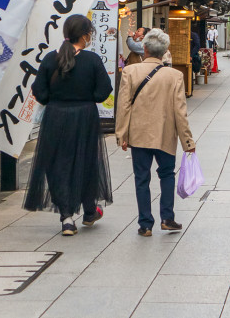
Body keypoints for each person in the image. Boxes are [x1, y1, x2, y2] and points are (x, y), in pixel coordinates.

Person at [23, 14, 113, 236]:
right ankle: (90, 210)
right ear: (84, 35)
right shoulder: (92, 60)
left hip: (55, 116)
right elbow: (104, 90)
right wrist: (86, 97)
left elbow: (39, 91)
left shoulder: (50, 59)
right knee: (86, 161)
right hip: (85, 117)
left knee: (57, 164)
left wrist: (55, 100)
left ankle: (66, 218)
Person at [115, 29, 197, 237]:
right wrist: (187, 140)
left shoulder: (130, 72)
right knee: (167, 175)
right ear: (165, 51)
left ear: (145, 49)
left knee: (141, 177)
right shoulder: (175, 76)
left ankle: (145, 224)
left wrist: (121, 134)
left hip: (139, 134)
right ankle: (167, 218)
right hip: (165, 133)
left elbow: (123, 106)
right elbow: (180, 111)